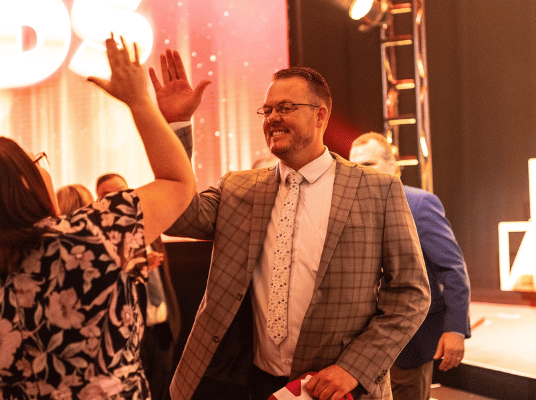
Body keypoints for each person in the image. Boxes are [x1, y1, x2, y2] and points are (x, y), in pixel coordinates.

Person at [0, 37, 195, 400]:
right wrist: (140, 101)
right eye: (37, 162)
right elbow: (177, 181)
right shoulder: (95, 234)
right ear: (24, 185)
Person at [160, 61, 430, 400]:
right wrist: (176, 125)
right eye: (268, 109)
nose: (272, 117)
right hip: (253, 382)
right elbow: (178, 215)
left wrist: (353, 369)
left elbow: (411, 293)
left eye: (286, 108)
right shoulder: (239, 188)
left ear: (320, 116)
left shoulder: (377, 190)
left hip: (335, 387)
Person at [349, 133, 471, 400]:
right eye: (354, 166)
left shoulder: (419, 204)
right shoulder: (349, 209)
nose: (360, 173)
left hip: (410, 343)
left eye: (368, 164)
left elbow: (452, 269)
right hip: (360, 344)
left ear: (393, 166)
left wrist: (455, 328)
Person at [93, 170, 182, 400]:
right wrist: (137, 267)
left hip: (164, 328)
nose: (114, 200)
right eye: (106, 195)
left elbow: (165, 276)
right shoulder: (96, 239)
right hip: (130, 336)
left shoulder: (148, 224)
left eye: (120, 193)